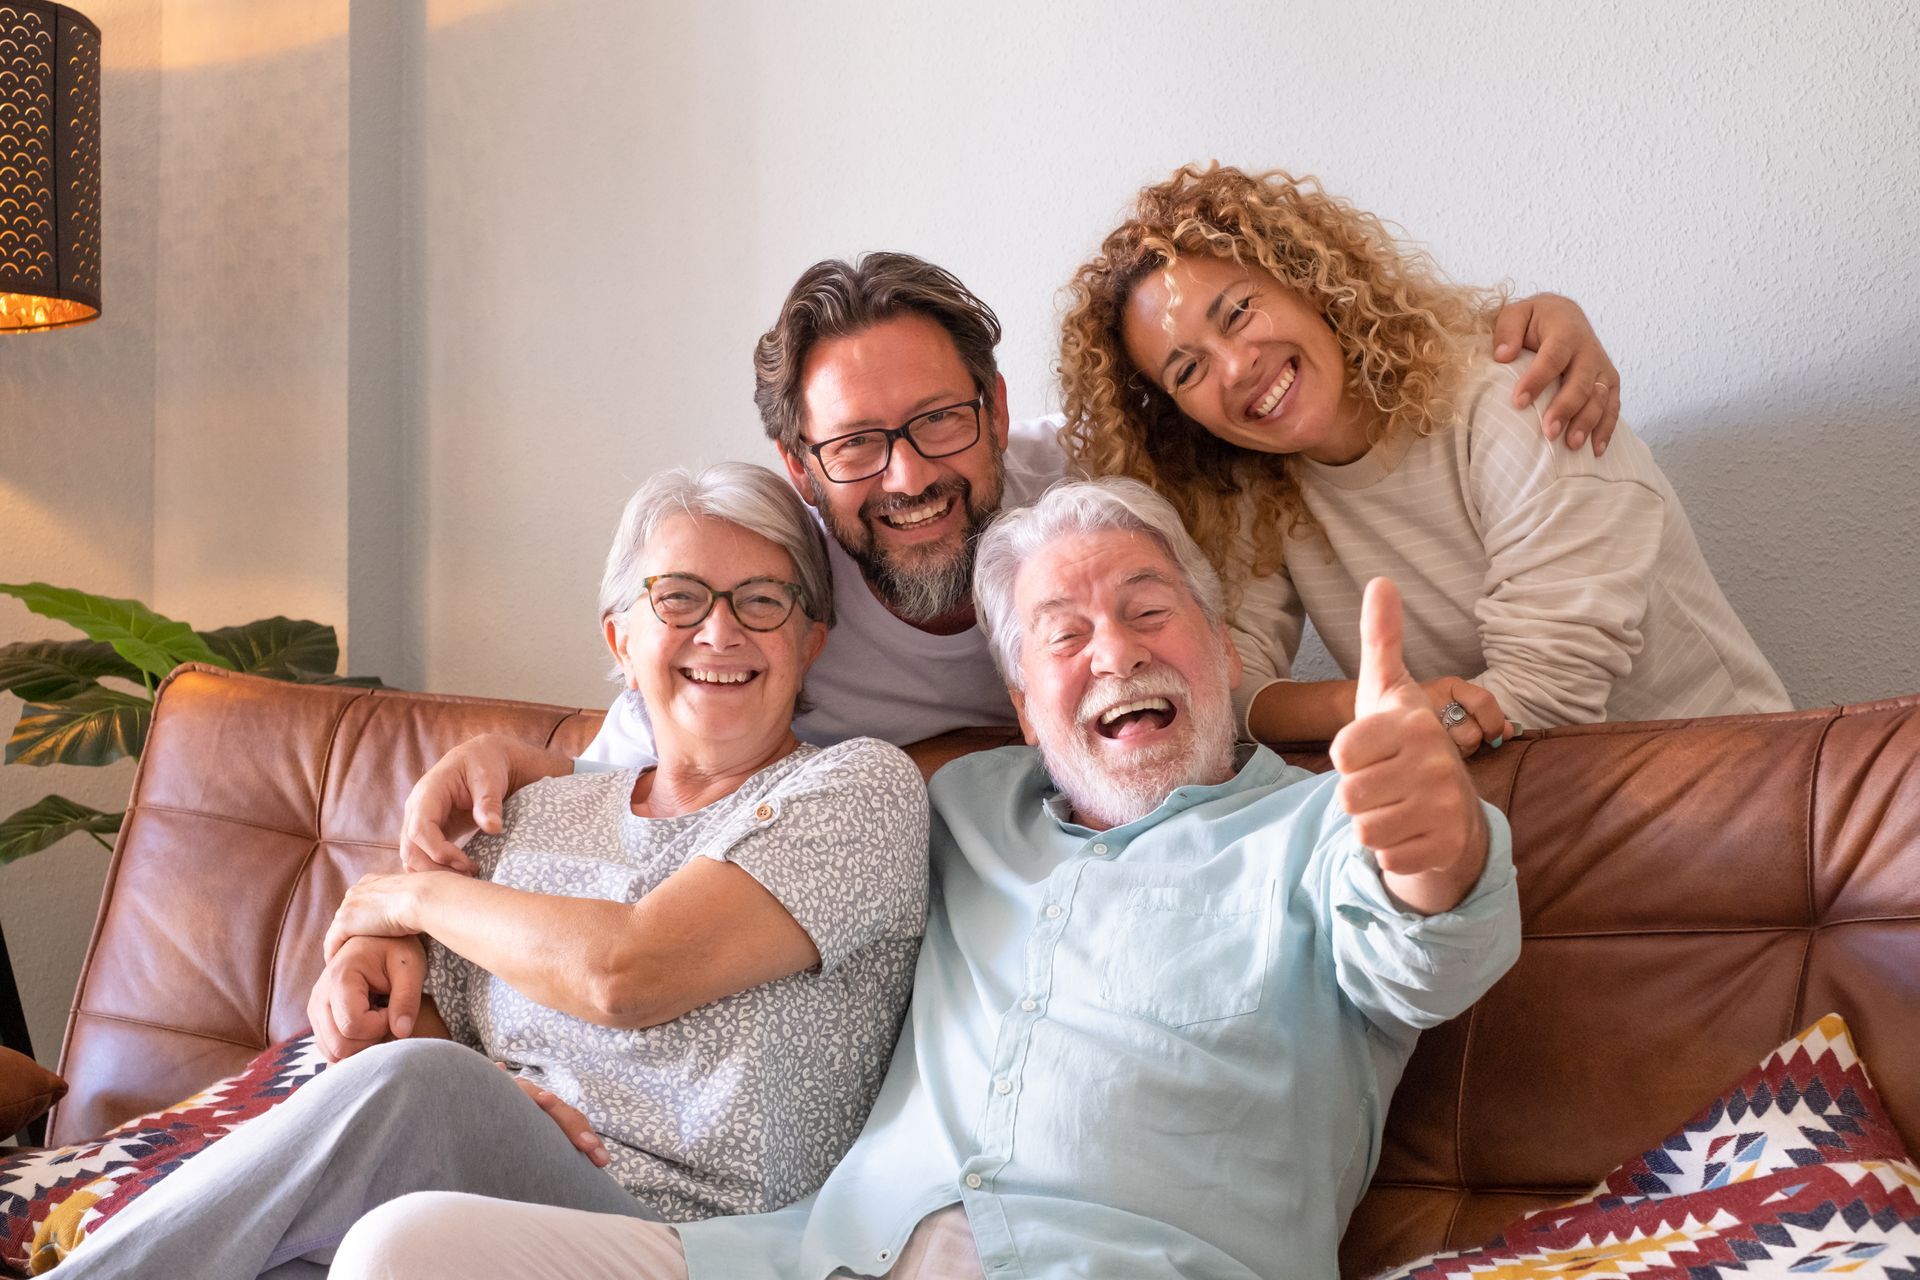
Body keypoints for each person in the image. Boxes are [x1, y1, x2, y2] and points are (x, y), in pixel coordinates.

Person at [329, 477, 1522, 1280]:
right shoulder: (951, 805)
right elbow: (692, 768)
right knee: (403, 1247)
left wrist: (1433, 841)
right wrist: (511, 776)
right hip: (803, 1255)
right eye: (1062, 633)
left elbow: (1426, 948)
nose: (1114, 648)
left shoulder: (1326, 825)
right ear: (1020, 704)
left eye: (1151, 610)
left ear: (1220, 648)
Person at [394, 251, 1624, 873]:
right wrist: (401, 909)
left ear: (992, 403)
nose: (912, 476)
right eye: (859, 446)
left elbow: (1281, 396)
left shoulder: (1092, 510)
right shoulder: (762, 583)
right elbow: (629, 770)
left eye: (939, 421)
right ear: (799, 461)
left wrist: (1517, 318)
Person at [62, 463, 929, 1279]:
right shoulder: (526, 814)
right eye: (680, 598)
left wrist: (404, 896)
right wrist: (492, 1094)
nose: (720, 629)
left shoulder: (856, 790)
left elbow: (625, 972)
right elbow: (401, 1032)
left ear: (812, 639)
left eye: (763, 600)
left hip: (693, 1239)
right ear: (621, 638)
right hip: (491, 1202)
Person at [1058, 164, 1790, 753]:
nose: (1235, 368)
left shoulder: (1514, 400)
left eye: (1239, 312)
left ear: (1307, 279)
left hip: (1720, 783)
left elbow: (1548, 692)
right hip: (1512, 812)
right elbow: (1222, 681)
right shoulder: (1259, 487)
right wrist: (1366, 701)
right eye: (1187, 370)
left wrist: (1405, 721)